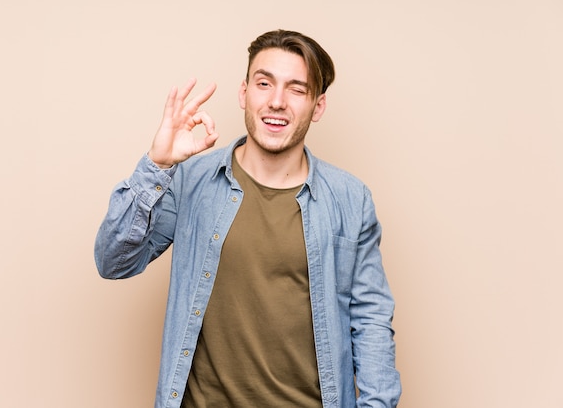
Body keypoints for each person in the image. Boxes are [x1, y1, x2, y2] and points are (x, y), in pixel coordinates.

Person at [95, 29, 401, 408]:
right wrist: (156, 167)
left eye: (296, 89)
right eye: (264, 83)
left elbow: (370, 322)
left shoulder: (351, 200)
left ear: (317, 107)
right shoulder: (191, 180)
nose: (276, 101)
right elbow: (113, 261)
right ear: (244, 93)